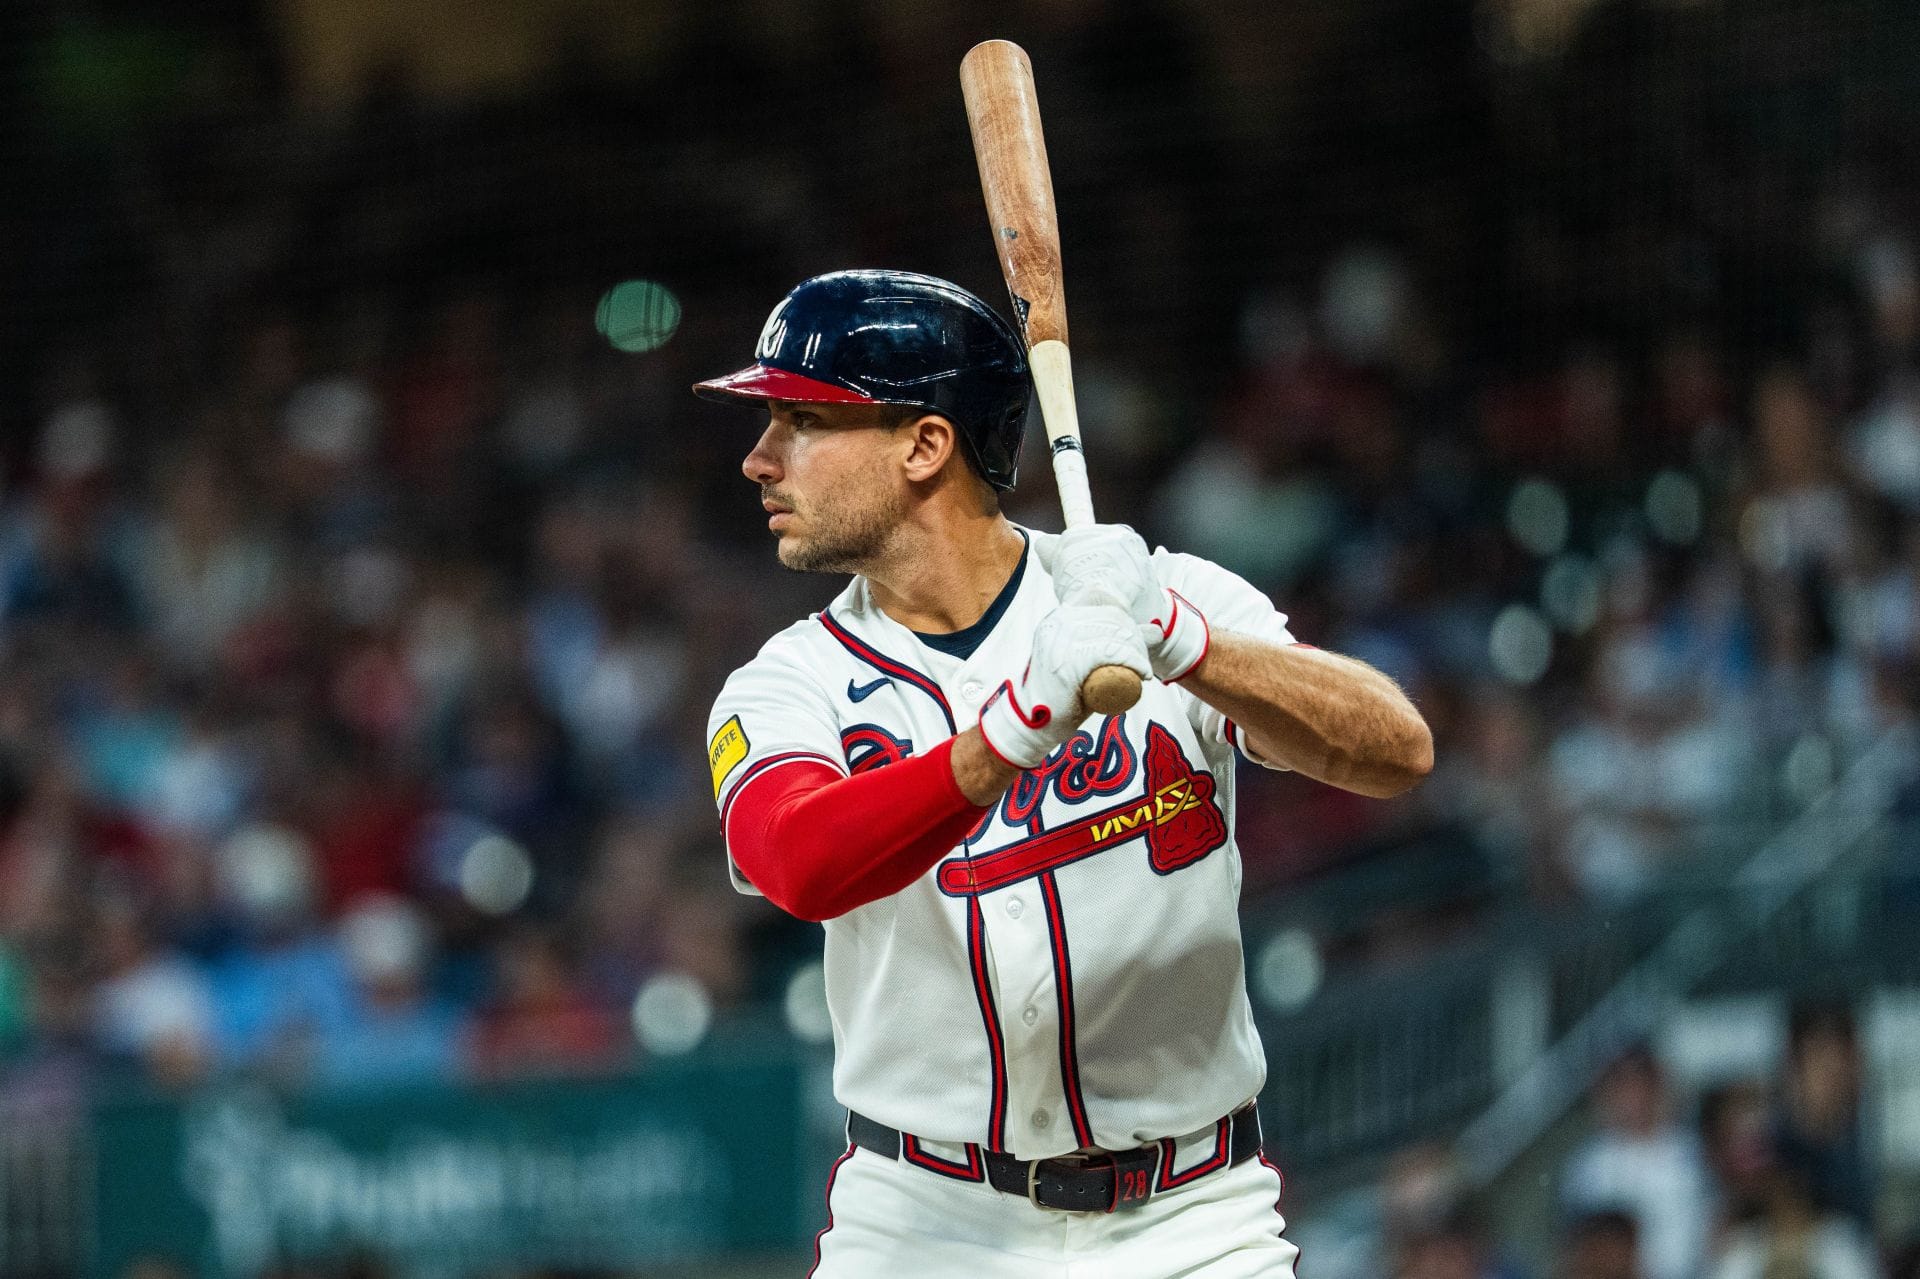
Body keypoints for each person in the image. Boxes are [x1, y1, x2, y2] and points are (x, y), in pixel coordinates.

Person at [695, 270, 1432, 1276]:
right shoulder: (789, 683)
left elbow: (1395, 749)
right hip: (924, 1225)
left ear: (925, 445)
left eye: (803, 421)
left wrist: (1179, 637)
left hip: (1191, 1220)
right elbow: (797, 860)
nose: (760, 458)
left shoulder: (1148, 598)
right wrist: (1017, 727)